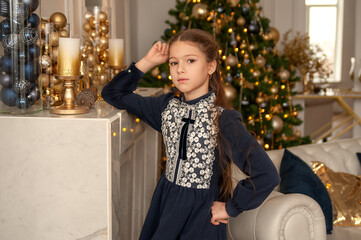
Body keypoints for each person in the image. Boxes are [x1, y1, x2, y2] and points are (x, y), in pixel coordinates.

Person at [102, 29, 280, 240]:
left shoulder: (223, 119)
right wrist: (148, 61)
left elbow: (267, 175)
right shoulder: (165, 108)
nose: (180, 70)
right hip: (166, 207)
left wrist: (230, 208)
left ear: (211, 66)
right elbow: (112, 93)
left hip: (201, 218)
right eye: (174, 63)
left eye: (191, 61)